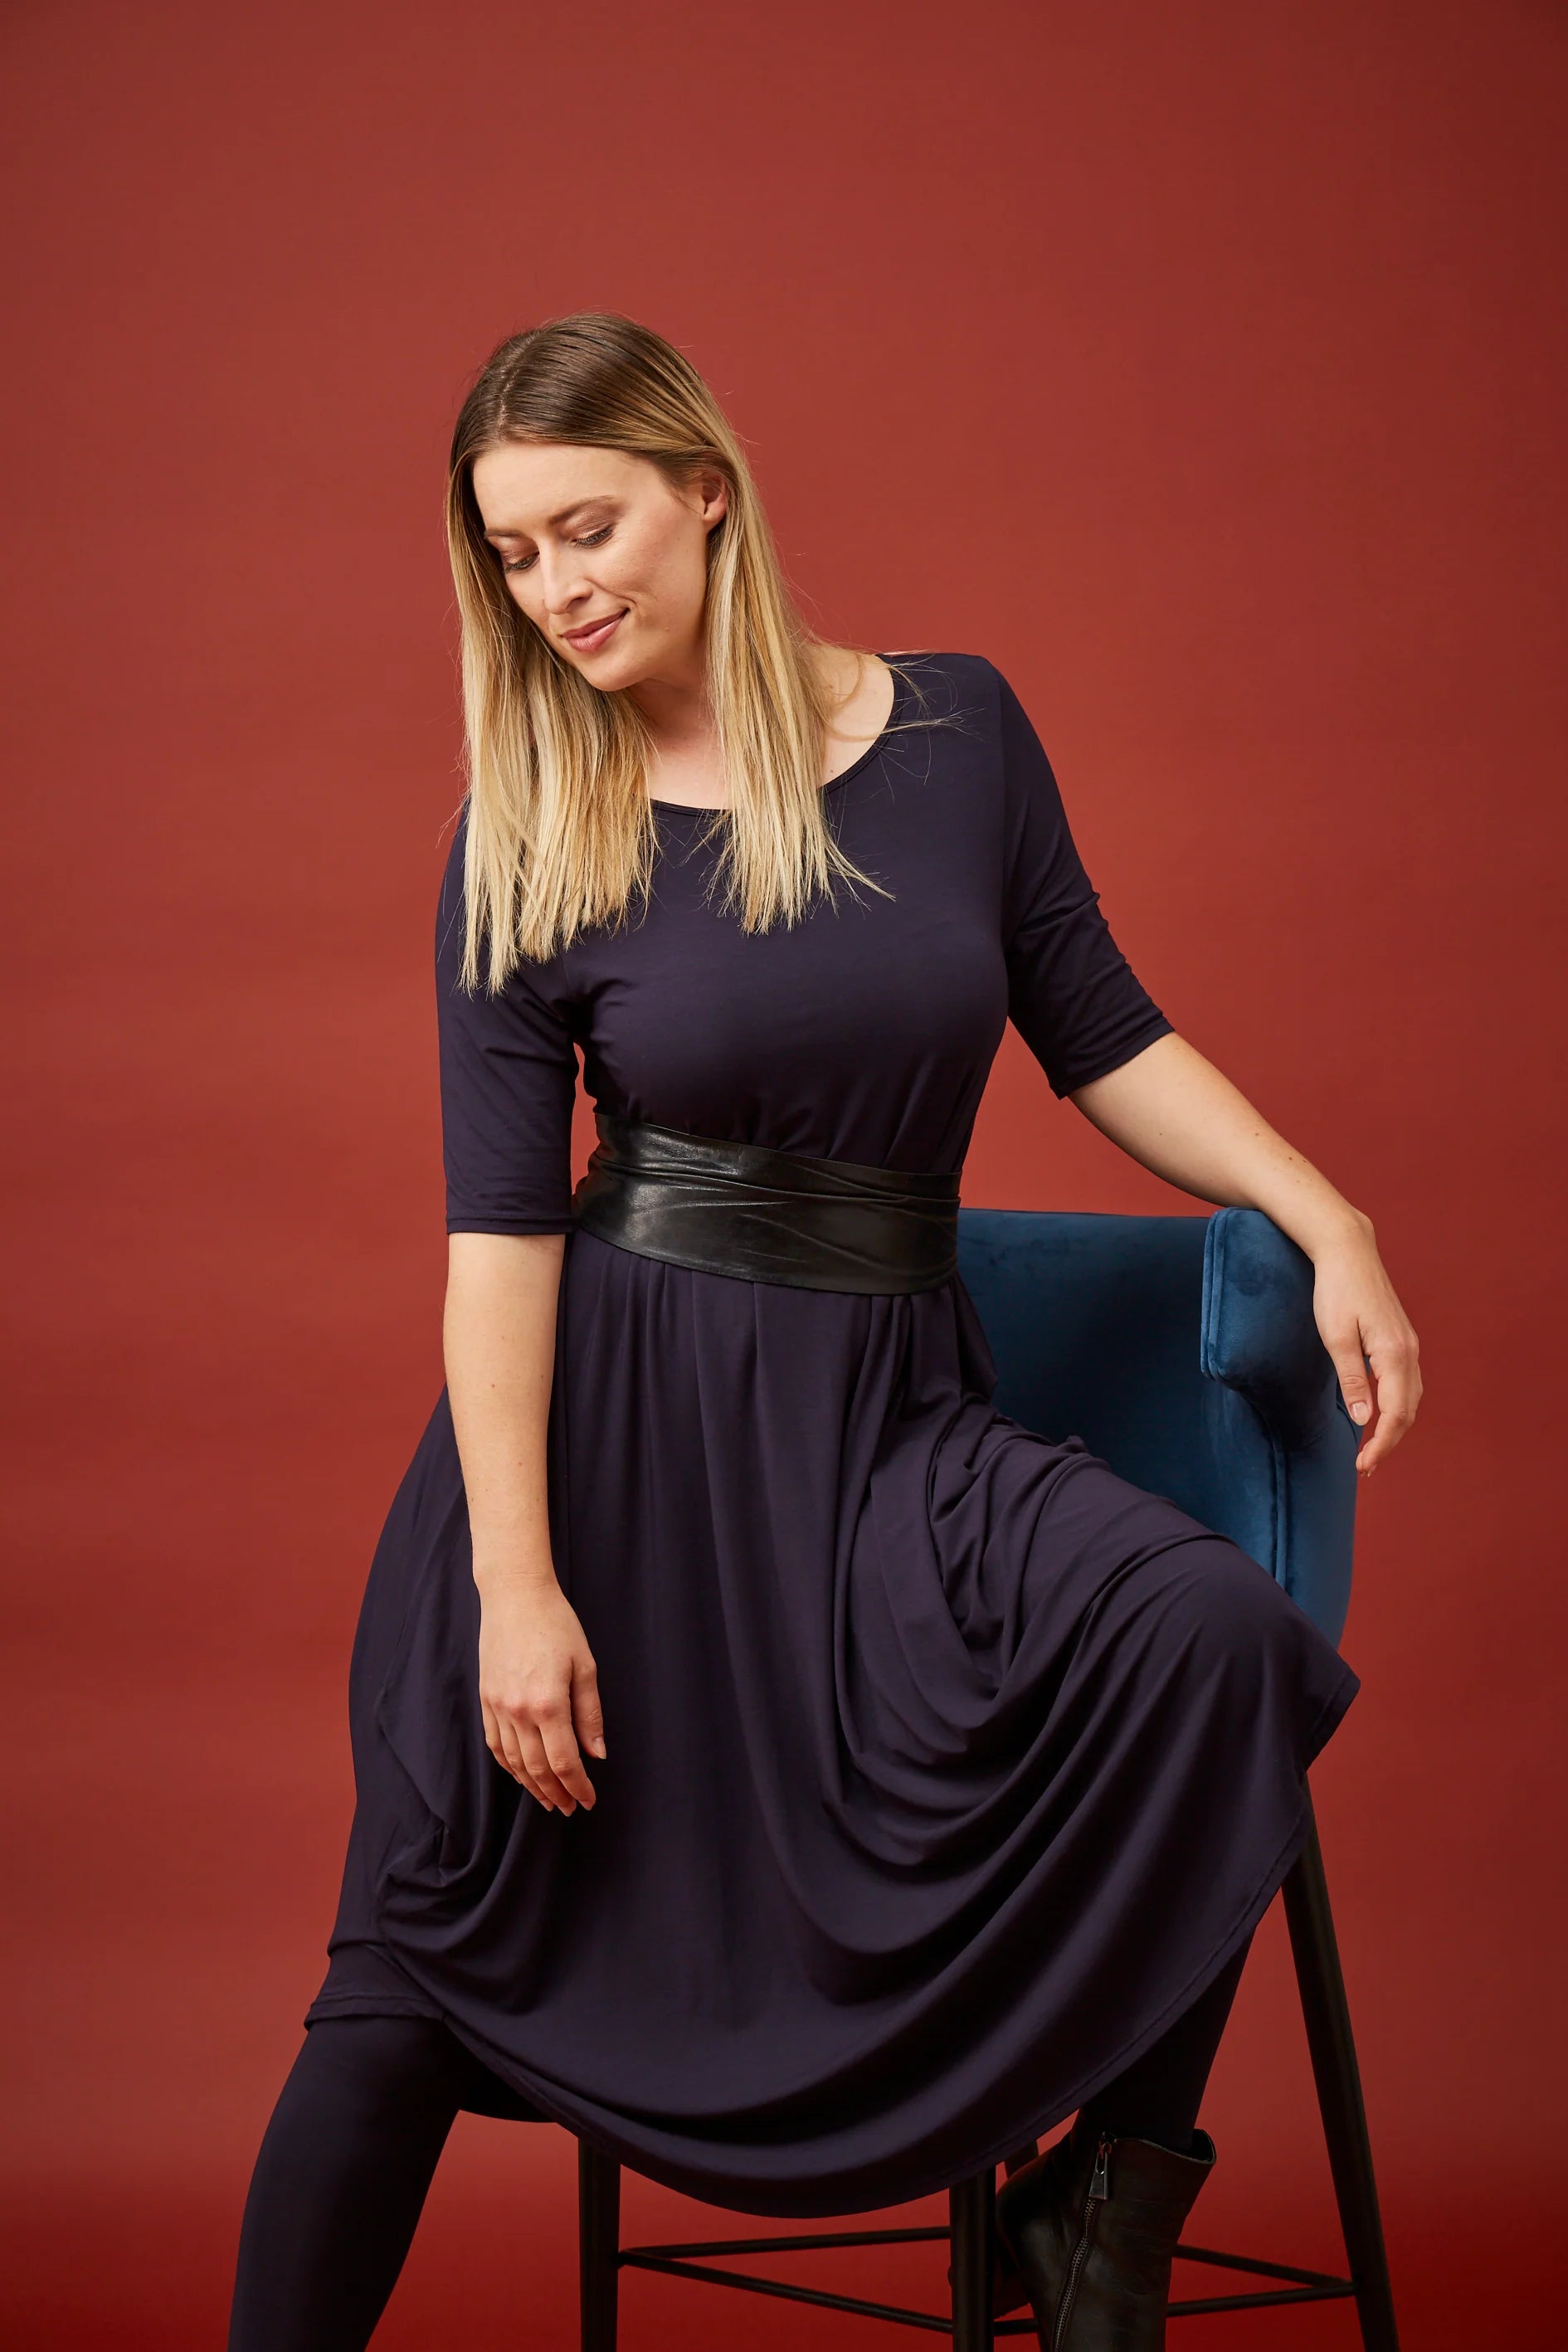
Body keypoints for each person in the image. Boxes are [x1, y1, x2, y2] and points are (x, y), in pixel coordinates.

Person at [226, 311, 1420, 2352]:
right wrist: (516, 1582)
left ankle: (1107, 2207)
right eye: (511, 556)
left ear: (707, 490)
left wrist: (1326, 1212)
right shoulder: (527, 831)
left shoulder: (960, 733)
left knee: (1217, 1639)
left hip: (889, 1435)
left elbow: (1100, 1030)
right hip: (619, 1456)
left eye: (587, 526)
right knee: (413, 1972)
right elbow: (499, 1239)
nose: (556, 587)